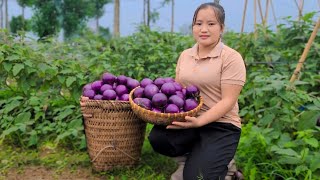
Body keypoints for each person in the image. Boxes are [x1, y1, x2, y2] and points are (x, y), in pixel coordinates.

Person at [148, 2, 246, 180]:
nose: (204, 29)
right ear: (193, 26)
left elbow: (228, 101)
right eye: (198, 23)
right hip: (190, 120)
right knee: (159, 138)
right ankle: (191, 158)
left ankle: (229, 169)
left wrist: (199, 121)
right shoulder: (186, 55)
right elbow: (178, 91)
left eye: (211, 24)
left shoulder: (231, 58)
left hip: (221, 125)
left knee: (199, 176)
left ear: (221, 28)